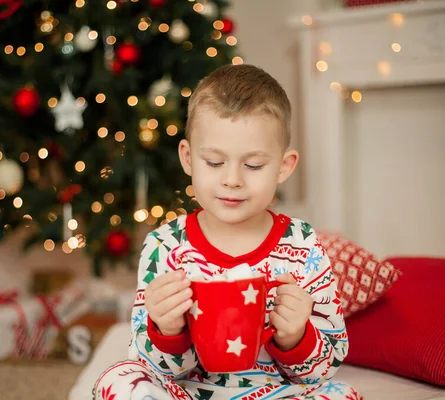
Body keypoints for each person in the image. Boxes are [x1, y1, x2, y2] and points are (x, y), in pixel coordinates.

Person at [94, 64, 360, 400]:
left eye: (253, 165)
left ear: (284, 166)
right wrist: (167, 329)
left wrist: (295, 336)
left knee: (341, 393)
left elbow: (326, 366)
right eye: (215, 162)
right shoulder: (165, 245)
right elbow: (150, 364)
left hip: (273, 395)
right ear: (188, 158)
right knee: (120, 378)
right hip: (188, 393)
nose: (232, 180)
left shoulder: (302, 245)